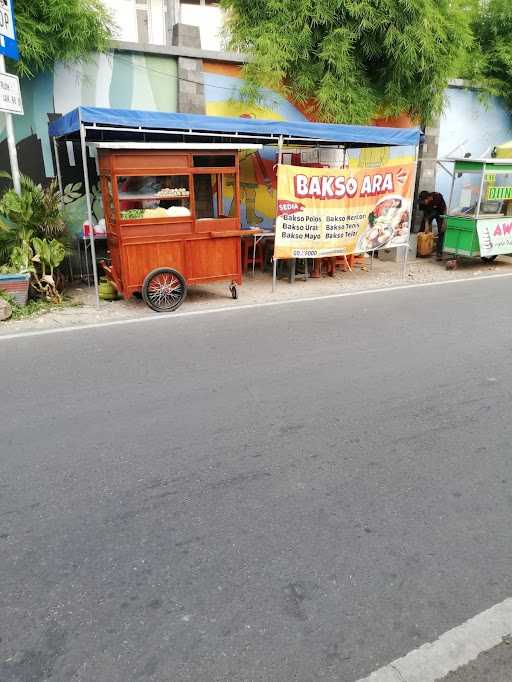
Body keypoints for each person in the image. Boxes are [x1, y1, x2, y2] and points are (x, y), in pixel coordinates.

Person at [420, 191, 447, 260]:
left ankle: (439, 253)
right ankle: (422, 250)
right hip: (430, 214)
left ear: (429, 198)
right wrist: (427, 224)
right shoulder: (422, 203)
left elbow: (444, 209)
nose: (423, 202)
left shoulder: (437, 196)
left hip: (440, 214)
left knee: (441, 232)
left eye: (424, 200)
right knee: (423, 229)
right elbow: (425, 214)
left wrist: (444, 222)